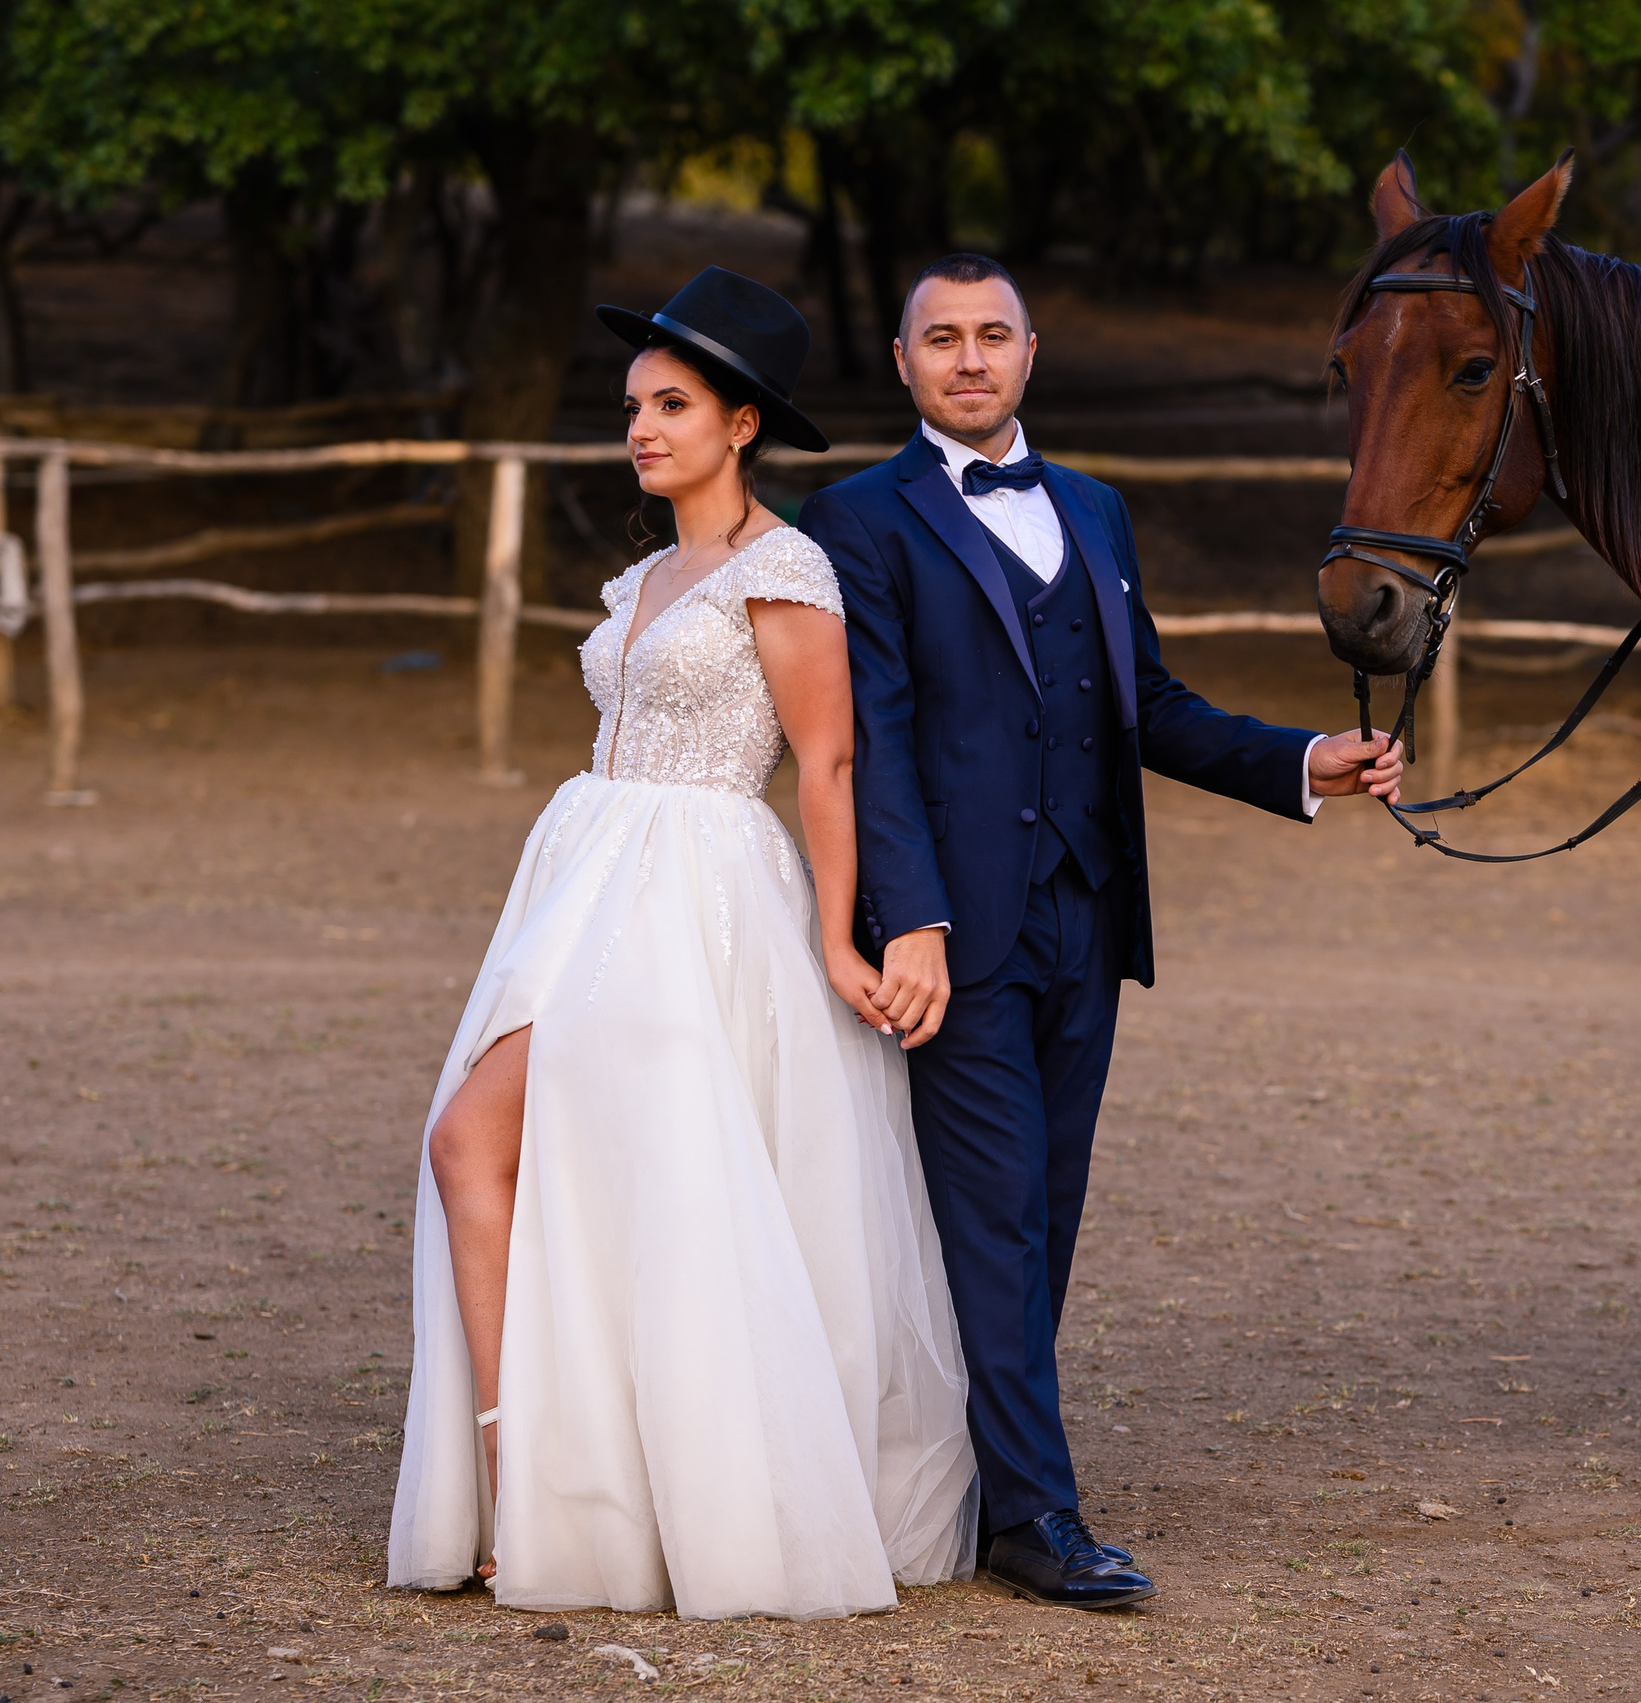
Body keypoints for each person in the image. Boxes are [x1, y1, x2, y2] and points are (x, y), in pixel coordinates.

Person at [800, 253, 1403, 1611]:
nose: (969, 358)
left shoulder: (1095, 509)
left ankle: (981, 1477)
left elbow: (1154, 706)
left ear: (1031, 350)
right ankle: (1037, 1518)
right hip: (954, 936)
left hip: (1089, 915)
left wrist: (1305, 760)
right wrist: (914, 923)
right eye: (941, 338)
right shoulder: (856, 519)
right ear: (903, 363)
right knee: (1001, 1215)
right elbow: (872, 743)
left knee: (1046, 1215)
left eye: (993, 334)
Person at [387, 267, 978, 1620]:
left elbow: (825, 764)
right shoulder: (648, 574)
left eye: (671, 405)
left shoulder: (786, 569)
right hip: (587, 878)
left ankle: (635, 1495)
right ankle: (513, 1477)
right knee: (478, 1144)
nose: (641, 428)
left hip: (701, 894)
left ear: (742, 424)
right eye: (635, 406)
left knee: (652, 1183)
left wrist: (840, 940)